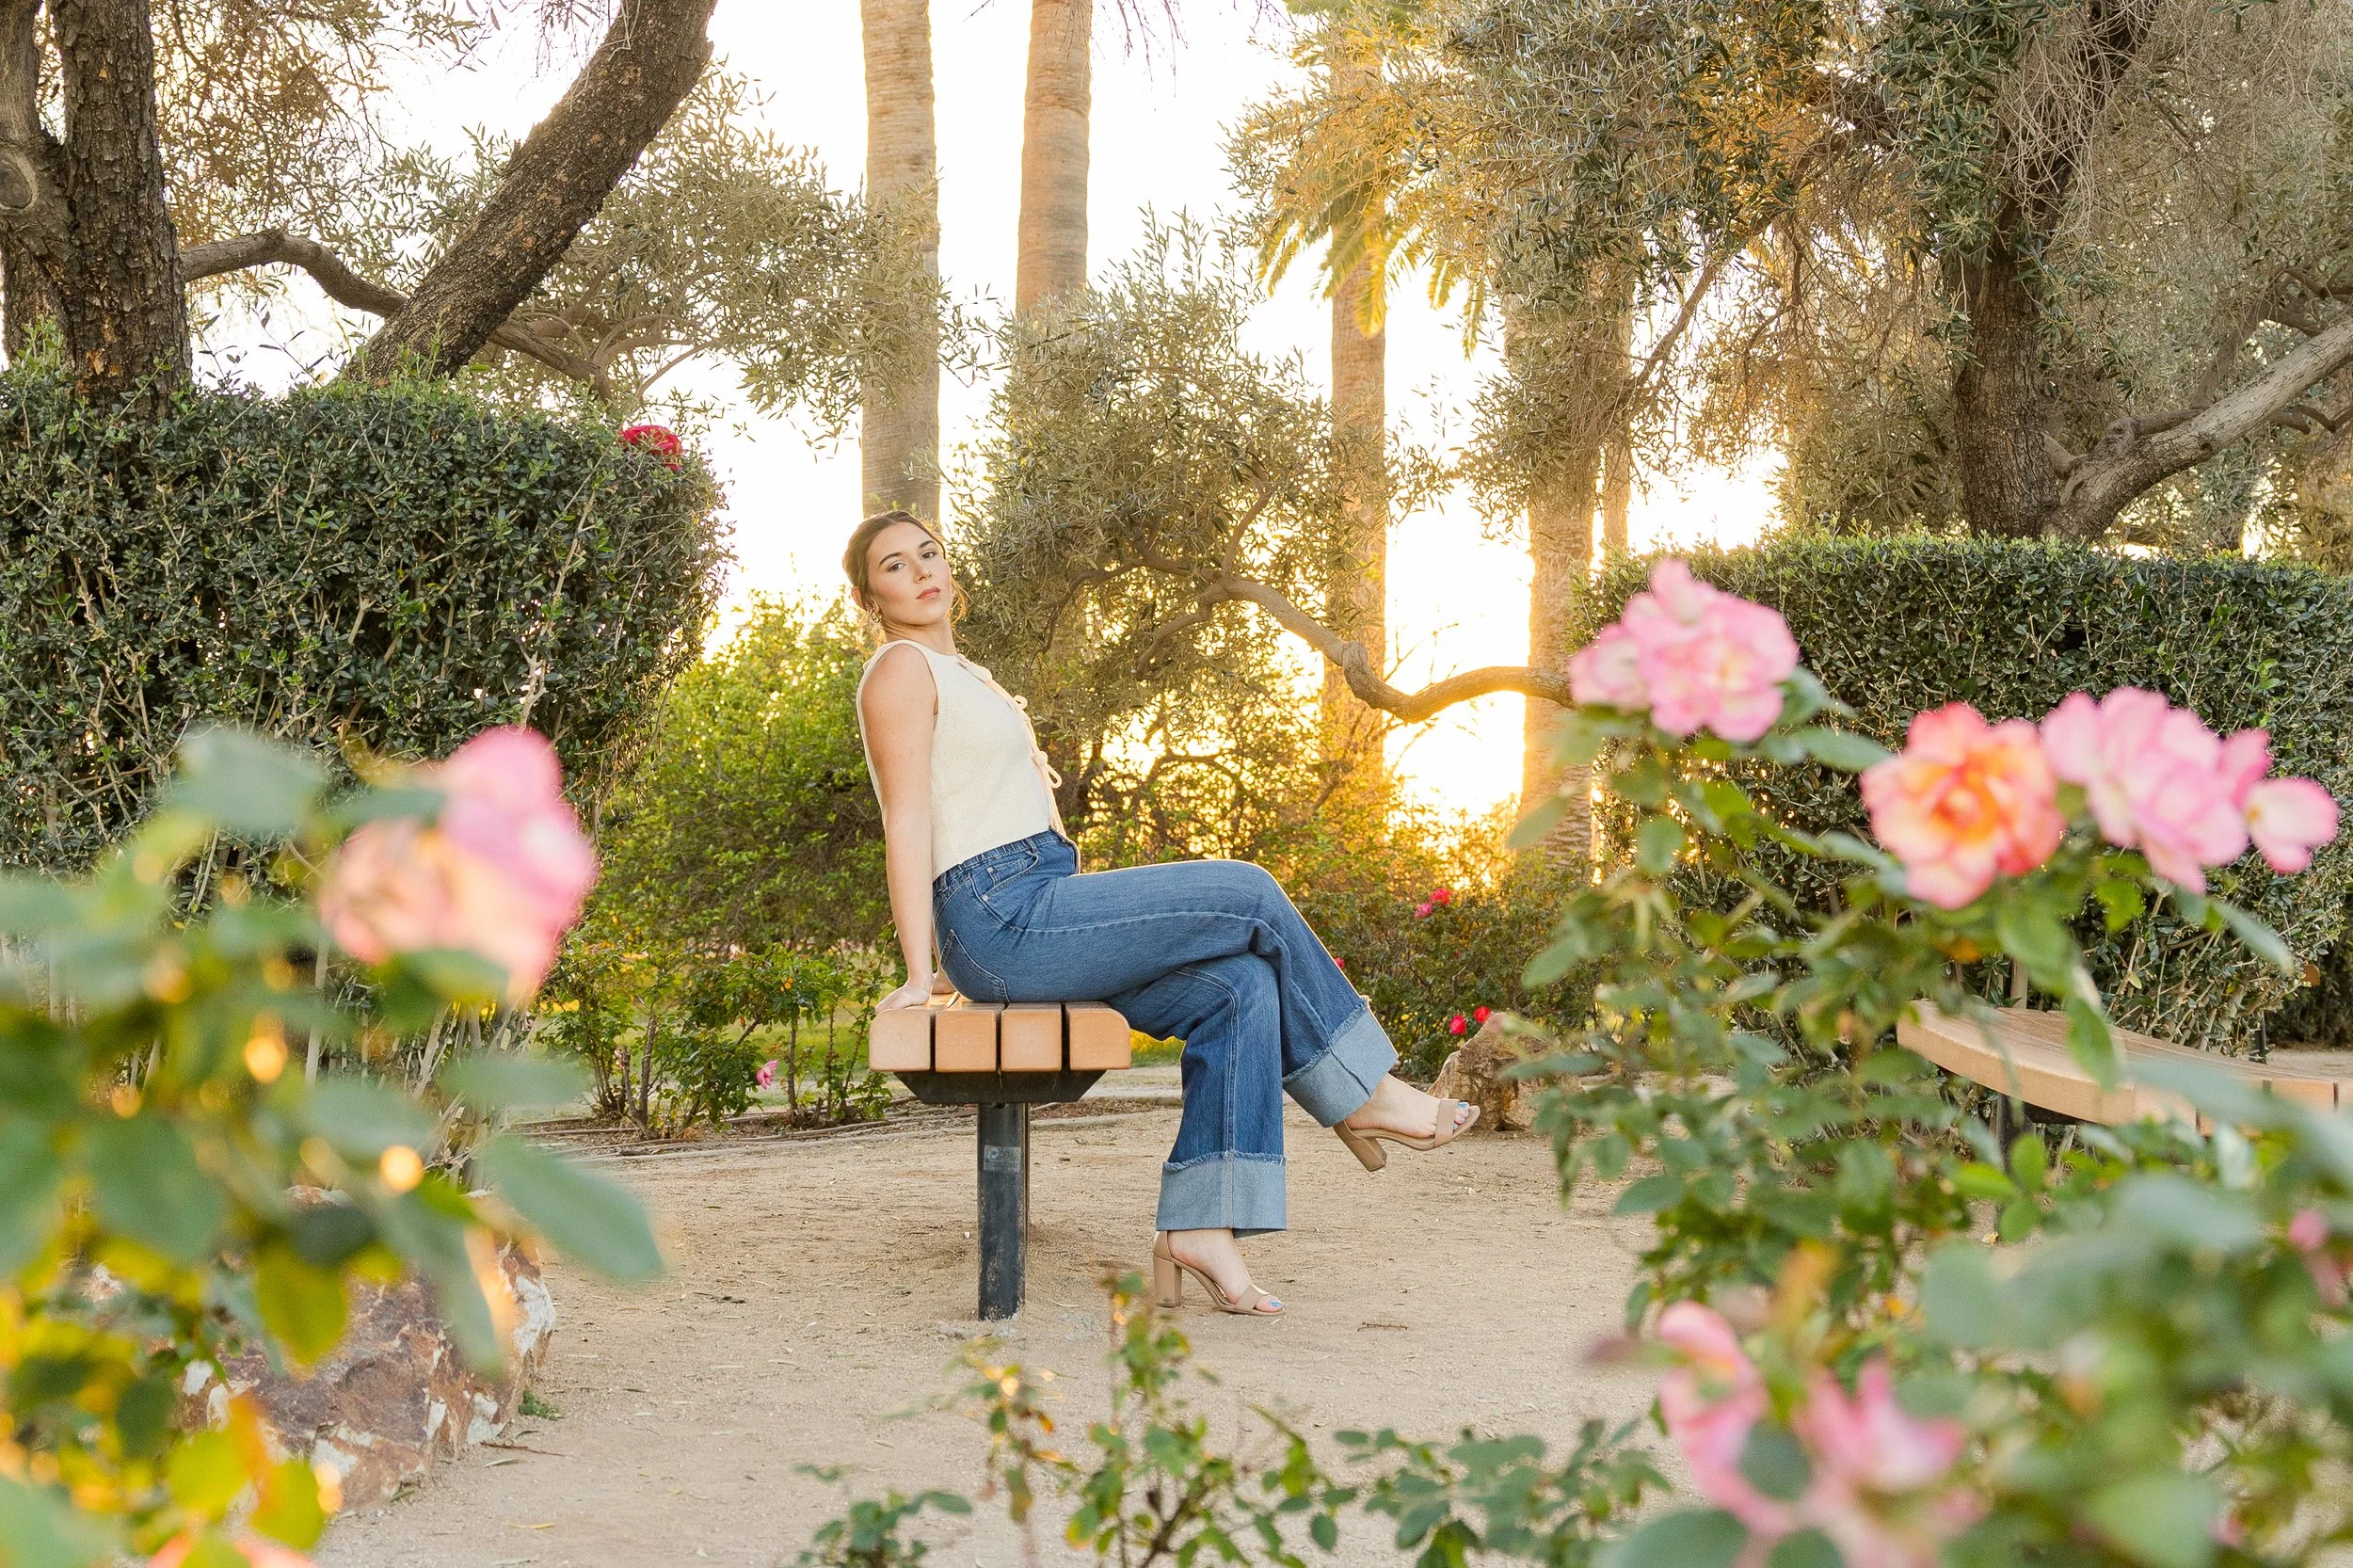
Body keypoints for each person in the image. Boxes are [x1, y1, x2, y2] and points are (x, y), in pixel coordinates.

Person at [846, 510, 1475, 1318]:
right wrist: (918, 967)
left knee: (1239, 985)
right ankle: (1365, 1092)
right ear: (872, 597)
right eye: (896, 566)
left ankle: (1201, 1227)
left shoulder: (964, 673)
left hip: (1032, 899)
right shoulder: (899, 669)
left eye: (928, 553)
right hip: (1002, 912)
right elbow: (907, 821)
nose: (922, 571)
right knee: (1248, 890)